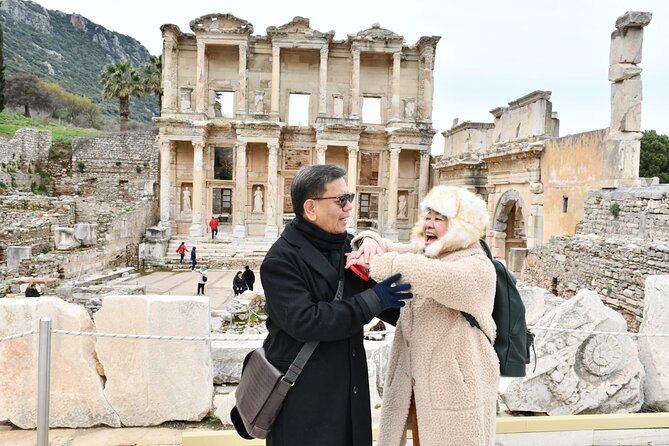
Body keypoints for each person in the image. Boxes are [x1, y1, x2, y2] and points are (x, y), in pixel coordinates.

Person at [230, 164, 413, 446]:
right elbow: (307, 320)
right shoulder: (281, 259)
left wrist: (408, 301)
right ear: (311, 208)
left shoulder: (347, 247)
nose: (349, 207)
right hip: (304, 402)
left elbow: (386, 303)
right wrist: (375, 299)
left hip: (349, 394)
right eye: (341, 200)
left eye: (349, 197)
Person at [347, 185, 498, 446]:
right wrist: (370, 241)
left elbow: (440, 279)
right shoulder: (427, 254)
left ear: (462, 226)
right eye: (428, 216)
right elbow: (387, 246)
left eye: (439, 219)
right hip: (414, 388)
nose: (429, 224)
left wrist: (383, 264)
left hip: (453, 393)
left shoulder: (478, 265)